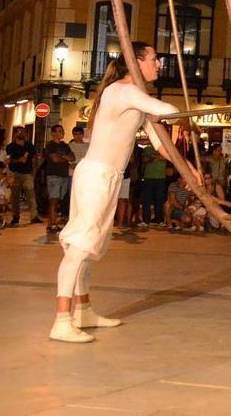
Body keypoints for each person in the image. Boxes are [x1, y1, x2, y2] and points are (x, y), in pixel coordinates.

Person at [53, 43, 180, 343]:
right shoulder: (125, 91)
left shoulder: (136, 98)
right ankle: (61, 320)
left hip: (107, 176)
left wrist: (188, 168)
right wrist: (170, 115)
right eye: (154, 59)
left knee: (91, 248)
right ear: (135, 62)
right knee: (79, 246)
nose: (159, 65)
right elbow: (170, 112)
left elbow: (160, 143)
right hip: (96, 175)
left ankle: (83, 311)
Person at [6, 126, 42, 227]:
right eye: (18, 132)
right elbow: (8, 160)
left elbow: (35, 158)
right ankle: (15, 216)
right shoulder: (10, 147)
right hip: (15, 173)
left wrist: (34, 171)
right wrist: (18, 160)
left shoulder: (29, 145)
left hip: (27, 173)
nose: (21, 133)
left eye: (22, 131)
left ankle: (34, 216)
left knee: (31, 194)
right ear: (15, 134)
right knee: (15, 196)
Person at [43, 124, 76, 233]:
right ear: (53, 133)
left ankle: (50, 223)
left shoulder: (65, 145)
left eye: (62, 130)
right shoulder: (50, 145)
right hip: (54, 175)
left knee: (57, 200)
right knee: (54, 200)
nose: (62, 132)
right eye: (59, 131)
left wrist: (62, 157)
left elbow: (72, 157)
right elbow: (54, 159)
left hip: (63, 175)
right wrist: (65, 158)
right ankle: (53, 225)